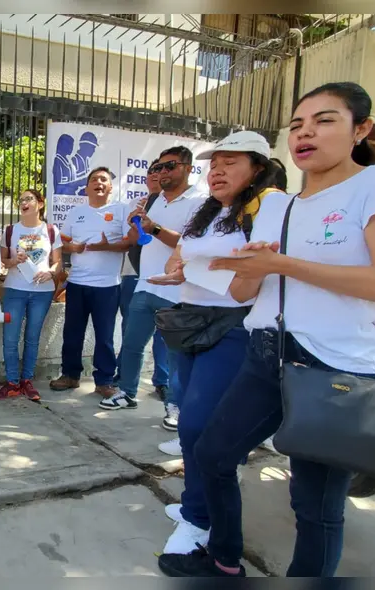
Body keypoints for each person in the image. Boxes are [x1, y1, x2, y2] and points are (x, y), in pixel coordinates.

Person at [160, 82, 375, 578]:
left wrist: (282, 263)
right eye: (298, 126)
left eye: (324, 121)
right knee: (212, 454)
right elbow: (244, 294)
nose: (307, 134)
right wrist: (234, 267)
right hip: (264, 352)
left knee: (314, 503)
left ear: (361, 129)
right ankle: (222, 558)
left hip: (333, 365)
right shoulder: (280, 206)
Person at [146, 131, 276, 557]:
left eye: (231, 162)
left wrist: (200, 269)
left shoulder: (268, 207)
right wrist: (199, 269)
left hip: (234, 328)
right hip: (189, 323)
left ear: (257, 167)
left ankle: (200, 520)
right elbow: (176, 261)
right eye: (214, 162)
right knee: (189, 421)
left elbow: (244, 290)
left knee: (198, 424)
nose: (218, 170)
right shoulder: (207, 212)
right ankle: (197, 504)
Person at [106, 147, 206, 415]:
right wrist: (136, 224)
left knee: (176, 354)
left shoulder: (200, 201)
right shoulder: (154, 199)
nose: (161, 172)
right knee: (132, 345)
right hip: (144, 284)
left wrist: (154, 228)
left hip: (176, 290)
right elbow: (137, 239)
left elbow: (190, 244)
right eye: (157, 168)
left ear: (187, 167)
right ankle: (126, 392)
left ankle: (175, 404)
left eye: (169, 166)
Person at [49, 168, 133, 397]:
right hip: (77, 283)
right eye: (94, 179)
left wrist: (107, 246)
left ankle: (104, 380)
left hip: (107, 286)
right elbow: (61, 244)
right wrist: (72, 248)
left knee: (104, 336)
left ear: (111, 187)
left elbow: (128, 244)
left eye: (103, 179)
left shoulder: (121, 210)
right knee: (72, 333)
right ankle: (70, 375)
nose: (99, 182)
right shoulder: (76, 212)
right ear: (86, 188)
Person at [0, 189, 62, 401]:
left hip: (42, 292)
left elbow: (58, 261)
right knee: (10, 338)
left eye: (29, 199)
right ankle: (12, 382)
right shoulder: (10, 230)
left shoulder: (50, 230)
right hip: (15, 289)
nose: (24, 202)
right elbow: (2, 260)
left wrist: (51, 272)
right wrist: (13, 262)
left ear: (40, 204)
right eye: (21, 200)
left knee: (32, 338)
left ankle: (27, 381)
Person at [115, 164, 171, 403]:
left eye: (162, 171)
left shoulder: (181, 204)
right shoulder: (137, 204)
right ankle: (125, 386)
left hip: (171, 283)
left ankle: (163, 383)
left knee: (166, 337)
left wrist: (154, 227)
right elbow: (130, 240)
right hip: (136, 277)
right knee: (132, 334)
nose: (156, 175)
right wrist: (134, 224)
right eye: (152, 172)